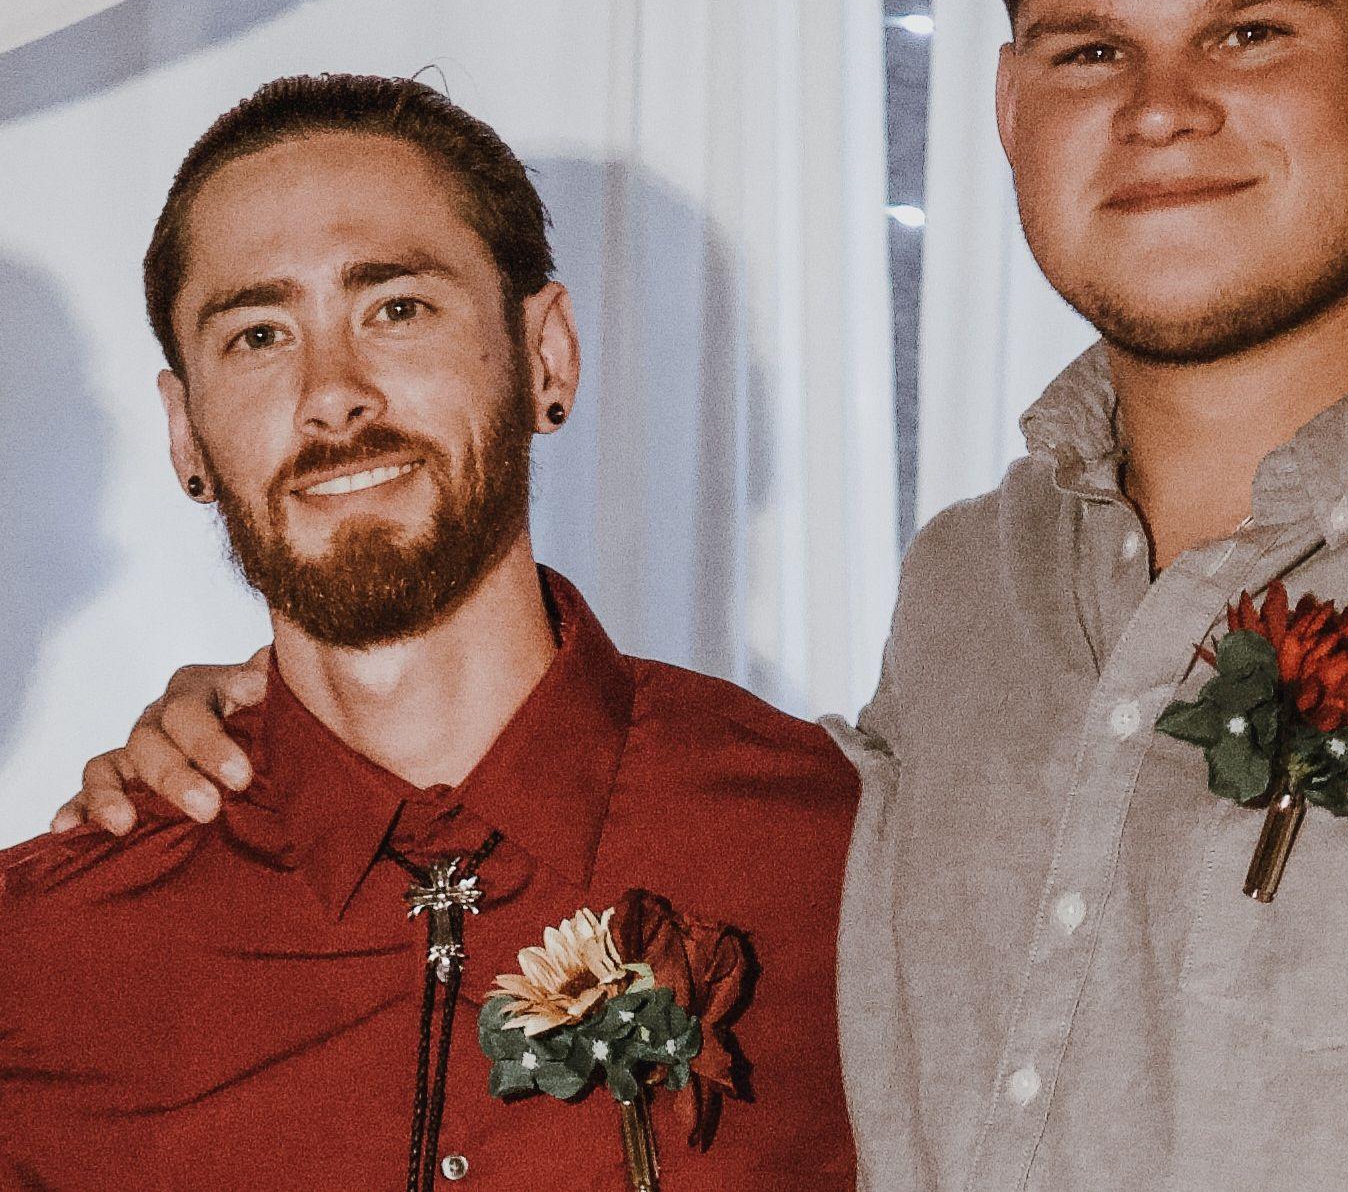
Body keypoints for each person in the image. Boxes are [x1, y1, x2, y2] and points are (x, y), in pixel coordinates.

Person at [52, 0, 1348, 1189]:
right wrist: (288, 725)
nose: (1161, 107)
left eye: (1246, 33)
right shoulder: (971, 595)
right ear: (1012, 107)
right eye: (1091, 49)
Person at [0, 76, 857, 1191]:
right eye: (258, 335)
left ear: (545, 355)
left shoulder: (844, 856)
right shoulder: (45, 954)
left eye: (396, 309)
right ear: (186, 433)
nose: (332, 394)